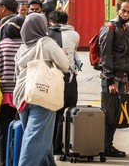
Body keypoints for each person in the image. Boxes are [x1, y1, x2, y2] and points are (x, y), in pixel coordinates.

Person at [13, 13, 69, 166]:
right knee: (34, 140)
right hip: (41, 94)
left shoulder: (22, 47)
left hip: (22, 97)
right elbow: (64, 65)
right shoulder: (46, 43)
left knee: (39, 139)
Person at [99, 0, 129, 158]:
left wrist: (128, 78)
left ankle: (108, 145)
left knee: (115, 114)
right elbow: (105, 56)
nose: (126, 14)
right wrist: (109, 81)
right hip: (112, 79)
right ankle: (105, 146)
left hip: (122, 77)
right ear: (117, 10)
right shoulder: (110, 28)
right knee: (109, 114)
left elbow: (127, 56)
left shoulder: (125, 29)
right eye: (123, 10)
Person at [0, 18, 23, 166]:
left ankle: (3, 162)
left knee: (3, 131)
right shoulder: (26, 45)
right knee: (22, 129)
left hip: (5, 95)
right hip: (22, 94)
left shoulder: (2, 45)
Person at [48, 10, 80, 155]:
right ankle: (64, 146)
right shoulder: (74, 35)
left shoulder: (45, 36)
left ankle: (50, 147)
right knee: (67, 113)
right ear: (67, 22)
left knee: (50, 113)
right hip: (69, 79)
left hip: (50, 78)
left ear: (50, 22)